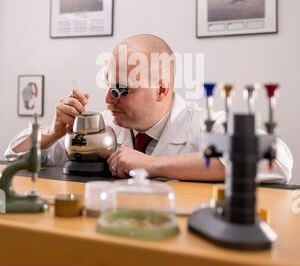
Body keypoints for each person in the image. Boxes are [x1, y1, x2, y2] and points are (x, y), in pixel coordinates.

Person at [5, 34, 293, 182]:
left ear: (162, 89)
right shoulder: (106, 126)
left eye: (120, 89)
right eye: (108, 86)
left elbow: (274, 157)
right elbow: (12, 158)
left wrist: (153, 165)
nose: (108, 100)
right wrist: (54, 132)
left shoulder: (199, 124)